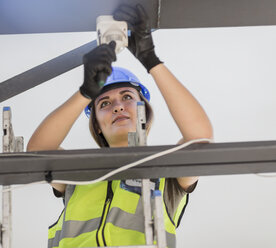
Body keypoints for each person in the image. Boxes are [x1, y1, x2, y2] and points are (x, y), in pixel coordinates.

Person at [27, 4, 213, 248]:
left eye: (127, 97)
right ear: (97, 124)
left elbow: (199, 140)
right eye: (104, 103)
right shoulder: (77, 174)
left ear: (143, 111)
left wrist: (152, 61)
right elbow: (38, 151)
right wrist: (85, 93)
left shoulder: (164, 171)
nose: (117, 106)